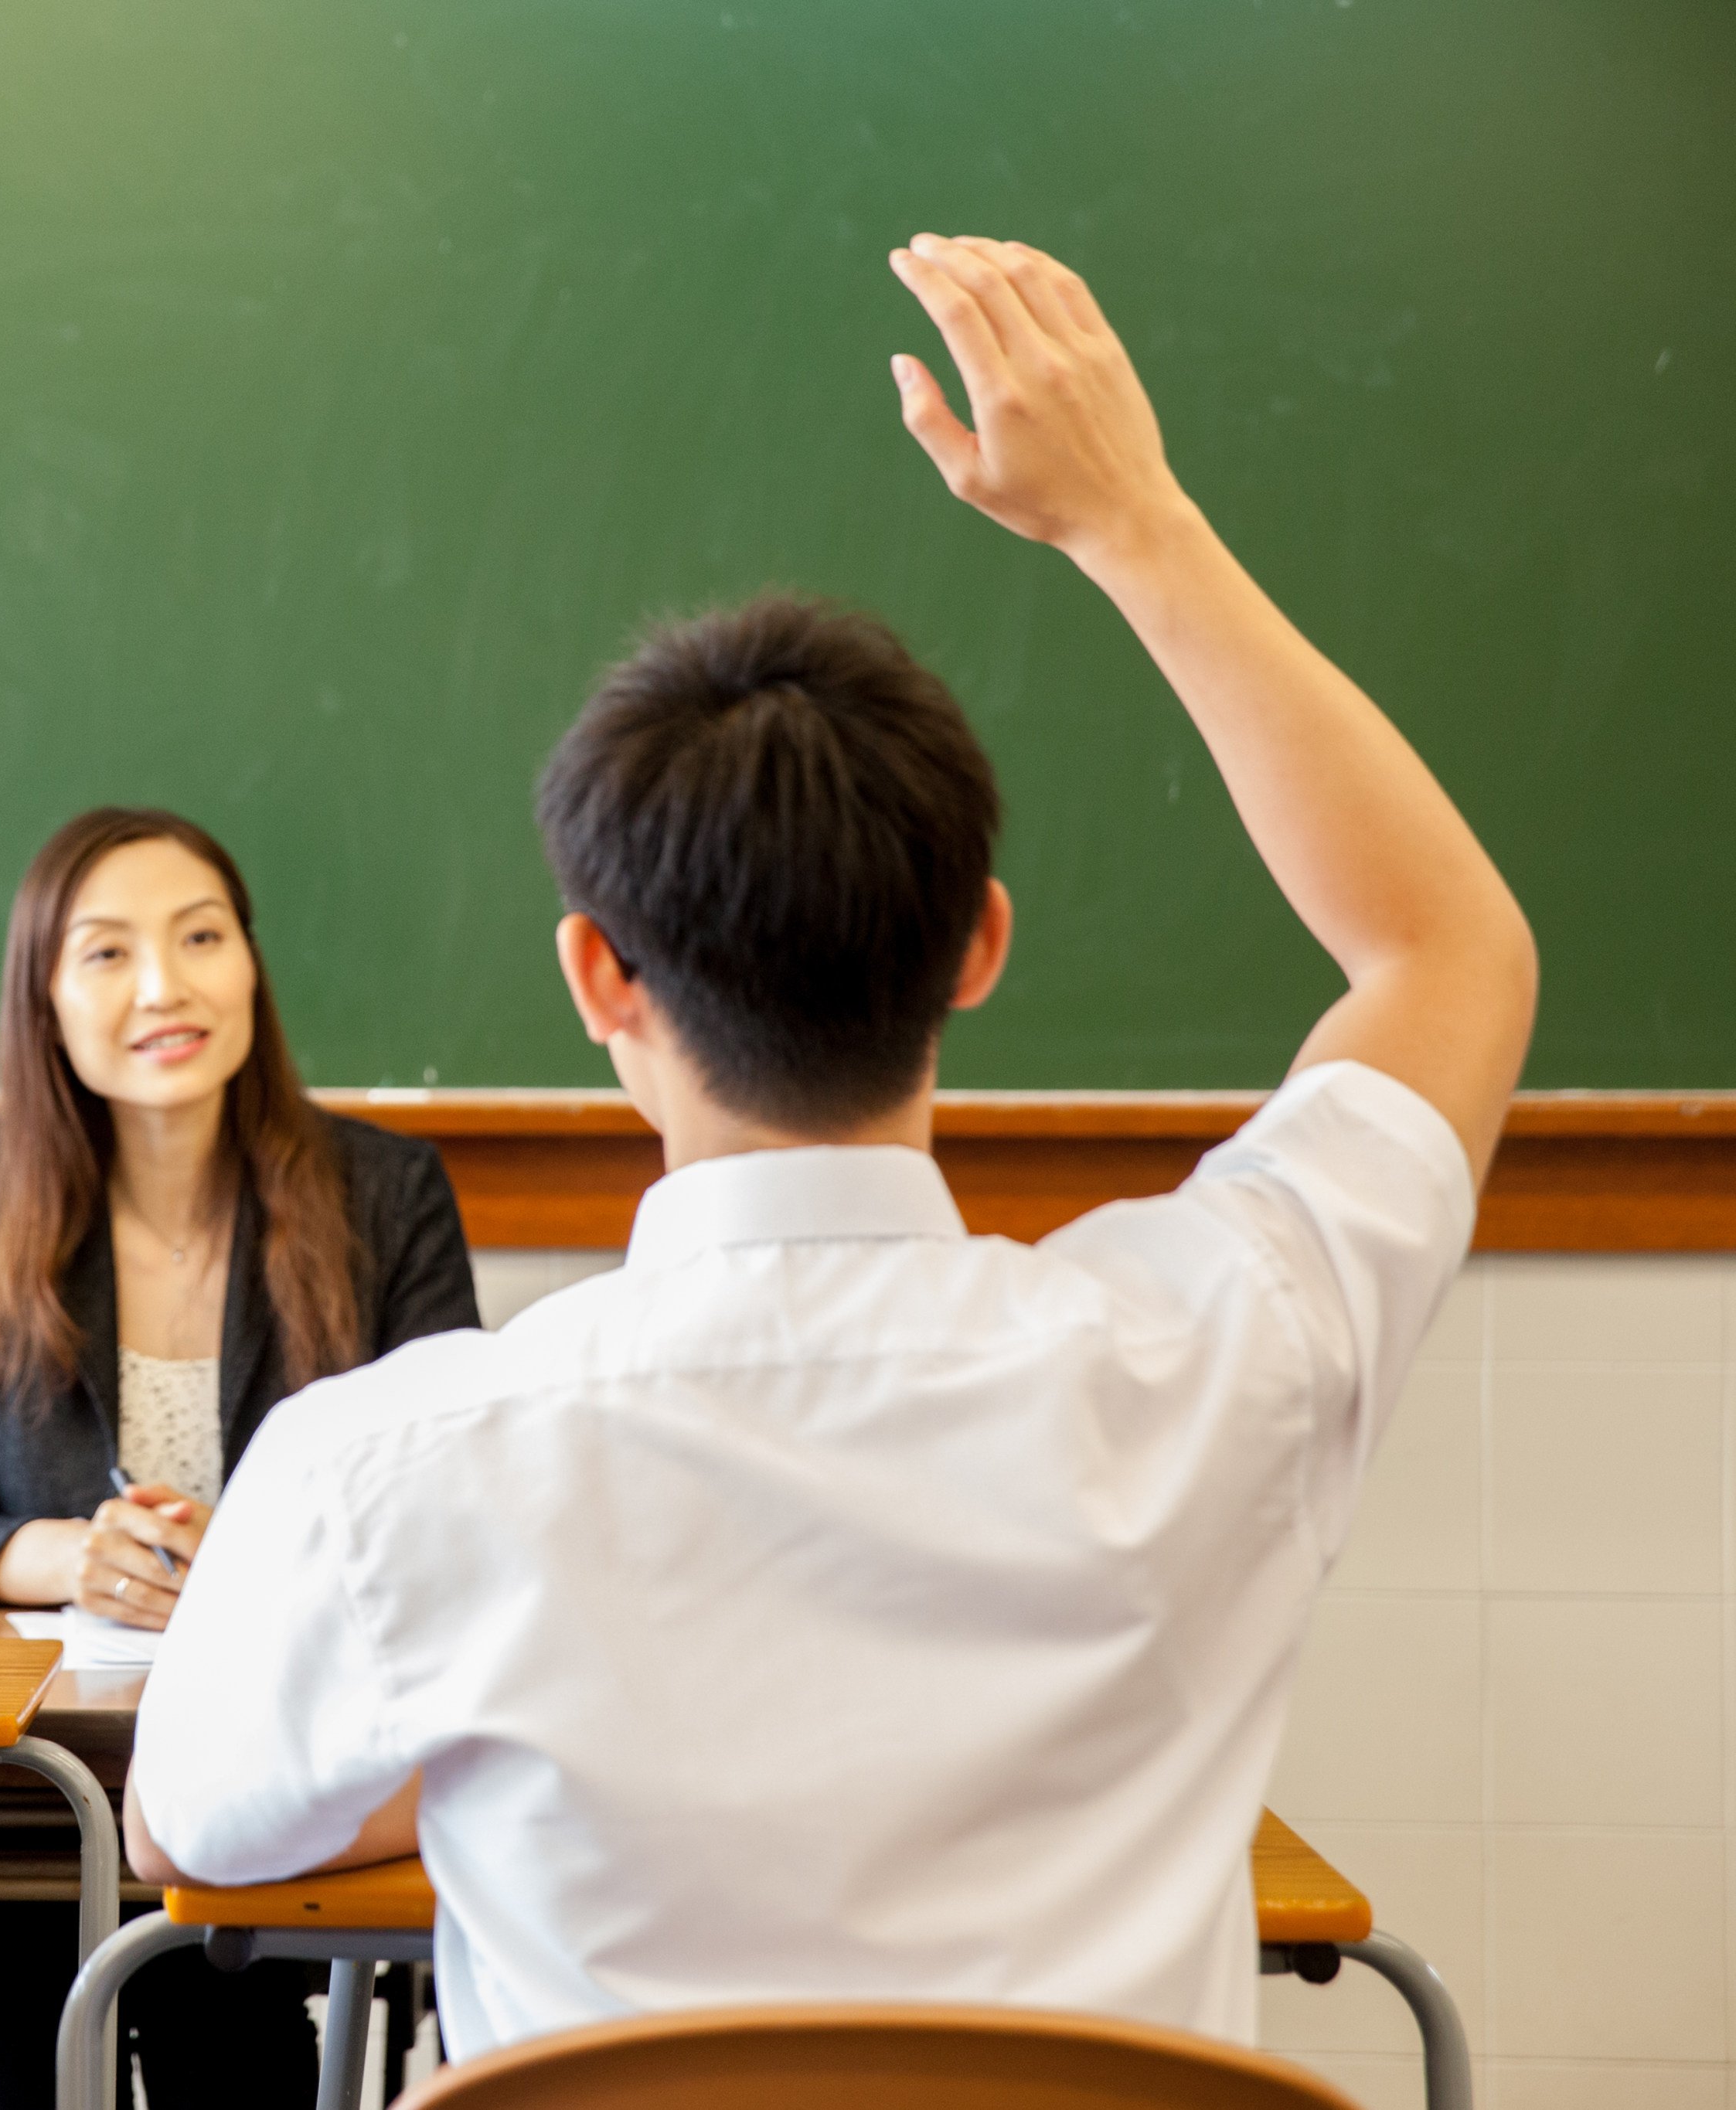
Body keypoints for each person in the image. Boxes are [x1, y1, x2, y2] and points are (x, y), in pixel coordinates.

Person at [122, 235, 1538, 2064]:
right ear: (978, 946)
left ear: (595, 978)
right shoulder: (1222, 1345)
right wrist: (1131, 521)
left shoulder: (386, 1466)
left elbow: (189, 1834)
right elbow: (1443, 954)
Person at [0, 805, 482, 2109]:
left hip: (285, 1755)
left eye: (201, 937)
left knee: (227, 2013)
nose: (164, 986)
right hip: (33, 1786)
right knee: (19, 1999)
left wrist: (256, 1558)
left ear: (250, 962)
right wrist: (73, 1558)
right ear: (45, 998)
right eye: (108, 952)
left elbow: (450, 1505)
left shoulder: (386, 1192)